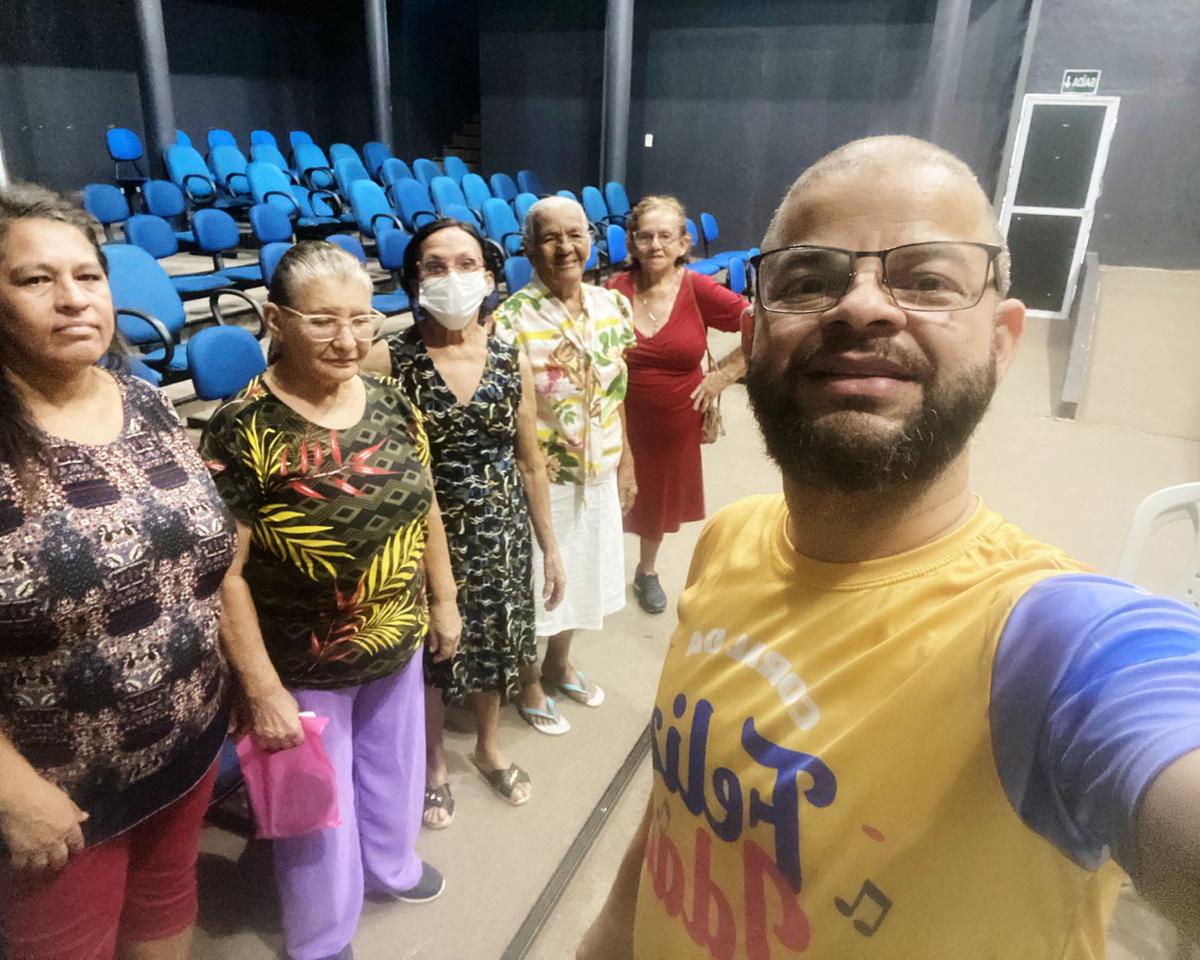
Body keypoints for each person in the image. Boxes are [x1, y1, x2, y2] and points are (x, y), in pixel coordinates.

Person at [578, 135, 1200, 960]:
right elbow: (679, 808)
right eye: (809, 280)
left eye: (927, 279)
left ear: (1003, 341)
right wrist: (607, 937)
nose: (863, 306)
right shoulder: (732, 537)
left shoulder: (1057, 644)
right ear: (756, 335)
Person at [0, 184, 233, 960]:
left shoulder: (145, 400)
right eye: (36, 279)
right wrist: (12, 791)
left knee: (167, 904)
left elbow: (204, 560)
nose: (73, 299)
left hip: (188, 741)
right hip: (55, 792)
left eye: (88, 275)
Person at [200, 241, 461, 960]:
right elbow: (224, 574)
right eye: (322, 321)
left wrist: (444, 599)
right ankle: (321, 934)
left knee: (395, 771)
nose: (347, 339)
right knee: (316, 806)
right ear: (277, 320)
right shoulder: (240, 427)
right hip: (301, 660)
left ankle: (391, 866)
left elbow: (426, 505)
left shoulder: (391, 400)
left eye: (361, 319)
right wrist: (259, 686)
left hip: (396, 632)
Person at [363, 218, 565, 826]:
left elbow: (529, 460)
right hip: (422, 529)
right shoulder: (388, 358)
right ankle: (433, 765)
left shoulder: (508, 356)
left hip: (500, 526)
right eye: (435, 266)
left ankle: (488, 745)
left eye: (466, 264)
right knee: (433, 649)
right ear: (413, 281)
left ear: (489, 275)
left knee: (497, 640)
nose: (452, 277)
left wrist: (550, 547)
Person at [492, 196, 637, 735]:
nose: (565, 247)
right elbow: (508, 415)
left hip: (600, 469)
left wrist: (627, 463)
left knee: (585, 573)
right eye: (550, 237)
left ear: (591, 241)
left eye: (575, 234)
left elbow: (617, 394)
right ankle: (527, 677)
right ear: (528, 248)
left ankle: (559, 662)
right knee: (538, 582)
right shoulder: (509, 320)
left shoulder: (611, 306)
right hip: (544, 477)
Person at [606, 196, 749, 614]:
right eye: (645, 236)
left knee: (656, 502)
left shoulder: (697, 288)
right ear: (631, 243)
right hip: (616, 420)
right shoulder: (612, 292)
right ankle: (599, 573)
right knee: (604, 498)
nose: (655, 245)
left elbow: (761, 324)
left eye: (665, 236)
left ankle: (646, 571)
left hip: (674, 422)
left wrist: (723, 375)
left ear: (683, 243)